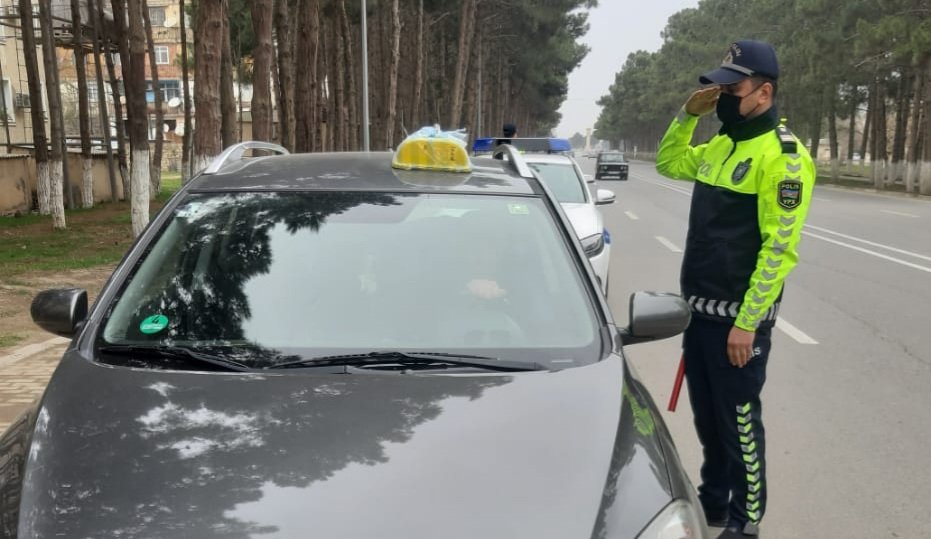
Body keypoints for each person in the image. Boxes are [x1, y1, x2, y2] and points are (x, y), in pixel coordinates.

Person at [655, 40, 815, 539]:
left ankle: (746, 522)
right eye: (720, 87)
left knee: (740, 425)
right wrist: (686, 116)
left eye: (733, 88)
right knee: (708, 421)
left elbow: (778, 250)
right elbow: (668, 163)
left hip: (738, 325)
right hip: (698, 315)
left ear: (763, 93)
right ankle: (715, 502)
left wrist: (747, 323)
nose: (723, 96)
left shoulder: (784, 158)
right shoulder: (722, 144)